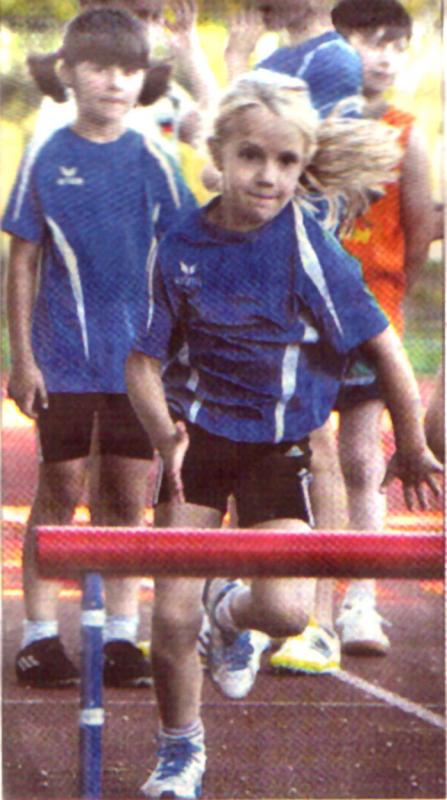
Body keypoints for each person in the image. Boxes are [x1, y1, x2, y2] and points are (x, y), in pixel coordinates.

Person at [125, 77, 442, 799]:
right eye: (250, 156)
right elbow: (141, 362)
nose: (266, 176)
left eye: (285, 161)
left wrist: (411, 442)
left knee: (287, 612)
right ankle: (180, 749)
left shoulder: (307, 247)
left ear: (302, 166)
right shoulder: (178, 244)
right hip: (197, 444)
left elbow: (383, 347)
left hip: (277, 447)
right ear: (218, 155)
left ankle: (229, 610)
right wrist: (162, 435)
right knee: (168, 618)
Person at [2, 7, 195, 689]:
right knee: (60, 487)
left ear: (143, 79)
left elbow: (185, 252)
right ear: (68, 73)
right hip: (63, 354)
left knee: (126, 492)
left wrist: (183, 352)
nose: (114, 81)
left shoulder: (153, 158)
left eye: (128, 69)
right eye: (99, 67)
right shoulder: (46, 154)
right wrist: (22, 357)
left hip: (138, 362)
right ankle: (38, 634)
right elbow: (23, 260)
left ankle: (118, 634)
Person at [221, 0, 362, 674]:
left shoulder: (333, 58)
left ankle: (320, 618)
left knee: (316, 438)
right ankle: (259, 604)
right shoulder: (276, 57)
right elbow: (221, 154)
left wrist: (231, 62)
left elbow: (303, 170)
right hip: (244, 269)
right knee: (238, 436)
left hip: (299, 275)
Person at [327, 0, 436, 657]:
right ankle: (298, 593)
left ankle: (360, 600)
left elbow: (419, 230)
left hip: (372, 314)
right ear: (338, 43)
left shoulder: (404, 132)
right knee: (299, 457)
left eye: (397, 45)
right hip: (304, 319)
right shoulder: (312, 119)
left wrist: (391, 294)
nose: (386, 56)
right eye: (372, 41)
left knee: (362, 458)